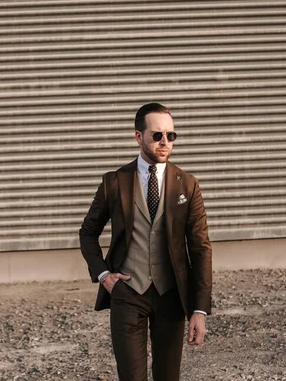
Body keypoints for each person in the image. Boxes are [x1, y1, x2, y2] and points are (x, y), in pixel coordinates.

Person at [79, 102, 213, 380]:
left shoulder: (188, 184)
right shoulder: (114, 182)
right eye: (157, 135)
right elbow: (88, 232)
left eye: (170, 135)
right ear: (138, 137)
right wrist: (103, 274)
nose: (165, 142)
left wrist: (199, 309)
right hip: (128, 294)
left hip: (171, 295)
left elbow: (200, 249)